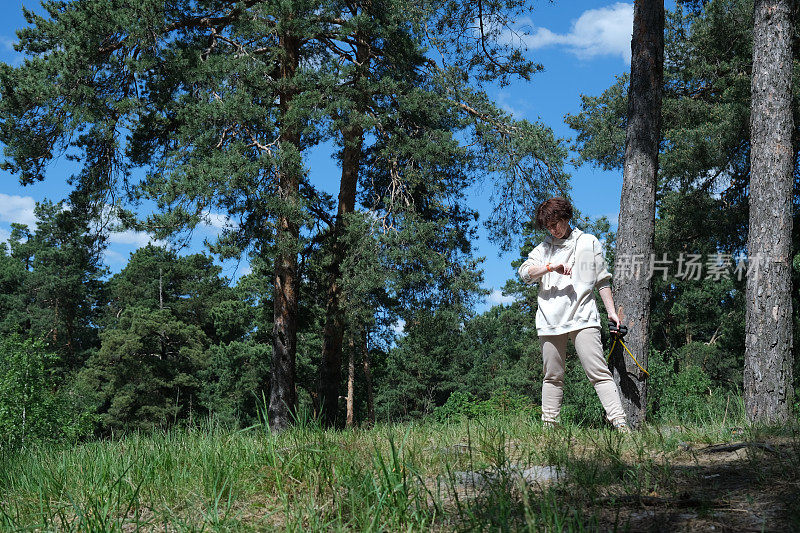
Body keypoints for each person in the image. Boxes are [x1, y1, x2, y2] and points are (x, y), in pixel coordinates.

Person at [518, 197, 629, 431]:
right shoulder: (543, 249)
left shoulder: (587, 242)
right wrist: (551, 267)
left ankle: (620, 424)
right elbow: (525, 273)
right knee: (552, 376)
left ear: (566, 218)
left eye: (555, 224)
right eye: (548, 226)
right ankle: (549, 428)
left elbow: (601, 281)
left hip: (582, 315)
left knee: (598, 372)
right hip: (549, 320)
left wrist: (611, 313)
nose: (552, 230)